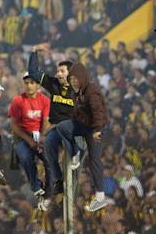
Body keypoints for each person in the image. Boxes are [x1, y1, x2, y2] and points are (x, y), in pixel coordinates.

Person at [43, 61, 113, 212]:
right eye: (72, 79)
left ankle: (100, 197)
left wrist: (97, 130)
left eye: (76, 79)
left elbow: (98, 112)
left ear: (82, 78)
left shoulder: (92, 92)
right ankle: (76, 152)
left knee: (94, 160)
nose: (73, 82)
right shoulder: (77, 91)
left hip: (95, 129)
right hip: (83, 125)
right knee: (63, 127)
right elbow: (76, 112)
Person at [7, 74, 51, 203]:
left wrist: (42, 137)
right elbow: (13, 125)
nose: (29, 86)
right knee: (26, 158)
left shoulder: (45, 100)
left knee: (49, 159)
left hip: (40, 135)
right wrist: (29, 140)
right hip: (21, 137)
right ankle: (35, 185)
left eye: (32, 83)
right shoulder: (18, 101)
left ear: (38, 85)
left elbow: (46, 121)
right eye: (26, 83)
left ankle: (49, 187)